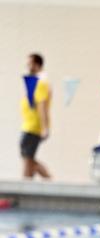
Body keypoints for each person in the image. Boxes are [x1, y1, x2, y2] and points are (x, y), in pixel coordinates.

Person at [20, 52, 52, 180]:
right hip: (29, 125)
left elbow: (42, 106)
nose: (27, 66)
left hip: (34, 126)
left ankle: (26, 184)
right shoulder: (34, 82)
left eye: (30, 64)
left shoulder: (40, 82)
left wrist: (45, 127)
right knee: (28, 157)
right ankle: (48, 179)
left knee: (28, 158)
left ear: (37, 65)